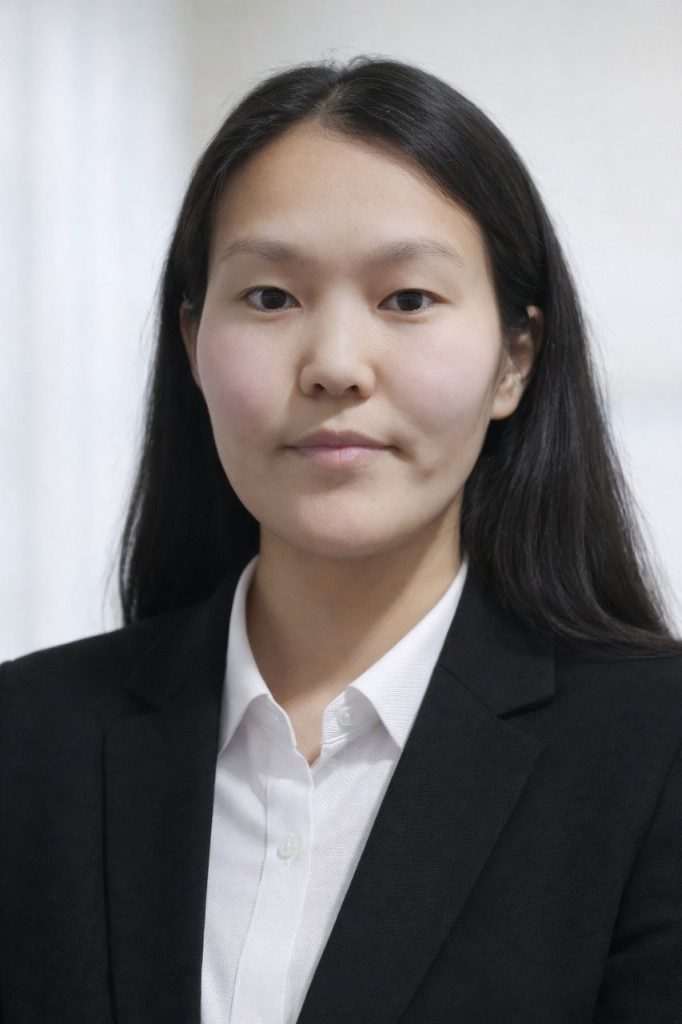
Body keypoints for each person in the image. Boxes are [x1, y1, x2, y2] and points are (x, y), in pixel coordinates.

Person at [1, 55, 681, 1024]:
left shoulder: (652, 752)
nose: (333, 365)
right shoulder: (29, 743)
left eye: (406, 299)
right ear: (192, 341)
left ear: (513, 359)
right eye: (270, 297)